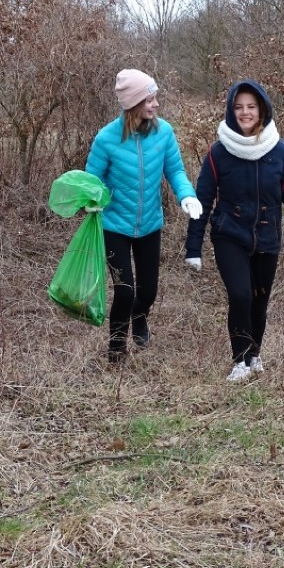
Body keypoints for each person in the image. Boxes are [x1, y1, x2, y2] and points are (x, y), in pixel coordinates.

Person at [184, 79, 284, 382]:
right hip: (229, 234)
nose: (245, 112)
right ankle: (239, 361)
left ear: (262, 109)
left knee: (259, 300)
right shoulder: (218, 152)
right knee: (240, 296)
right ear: (230, 111)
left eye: (251, 106)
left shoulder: (279, 150)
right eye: (238, 107)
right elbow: (203, 201)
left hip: (267, 238)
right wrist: (193, 248)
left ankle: (254, 355)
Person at [86, 69, 203, 363]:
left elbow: (175, 170)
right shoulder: (106, 139)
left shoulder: (164, 132)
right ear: (134, 103)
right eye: (150, 99)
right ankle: (116, 349)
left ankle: (140, 317)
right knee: (124, 291)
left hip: (150, 224)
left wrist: (186, 195)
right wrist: (89, 200)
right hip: (115, 226)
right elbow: (91, 181)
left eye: (155, 98)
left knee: (148, 292)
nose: (156, 104)